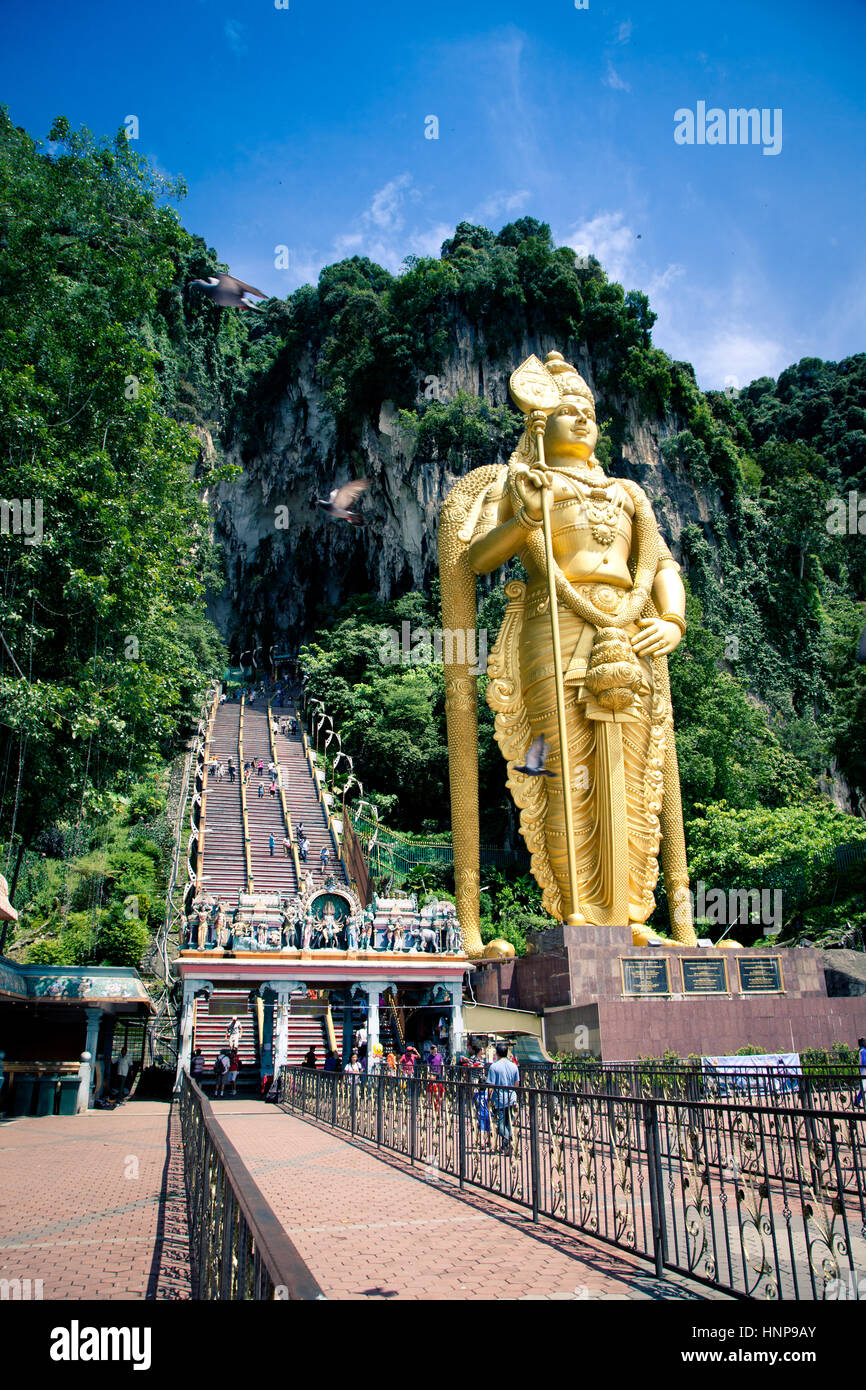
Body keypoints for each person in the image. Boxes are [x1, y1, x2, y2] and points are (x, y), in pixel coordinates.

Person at [487, 1043, 520, 1152]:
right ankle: (508, 1142)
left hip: (499, 1099)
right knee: (509, 1121)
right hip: (512, 1097)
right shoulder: (514, 1066)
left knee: (500, 1123)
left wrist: (489, 1099)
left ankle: (507, 1141)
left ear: (497, 1053)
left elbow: (491, 1086)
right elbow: (516, 1084)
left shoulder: (494, 1067)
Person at [473, 1077, 492, 1149]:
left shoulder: (476, 1095)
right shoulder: (487, 1094)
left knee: (481, 1128)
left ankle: (482, 1143)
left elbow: (474, 1104)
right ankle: (489, 1141)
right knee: (488, 1128)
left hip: (480, 1113)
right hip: (487, 1113)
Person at [855, 1036, 866, 1107]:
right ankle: (857, 1101)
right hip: (864, 1070)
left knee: (864, 1087)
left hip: (863, 1070)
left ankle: (857, 1101)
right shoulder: (863, 1051)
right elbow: (864, 1061)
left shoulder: (862, 1050)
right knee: (864, 1087)